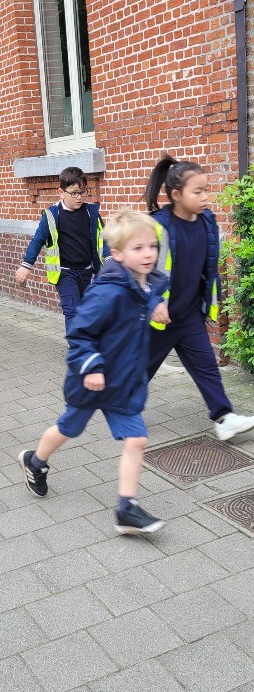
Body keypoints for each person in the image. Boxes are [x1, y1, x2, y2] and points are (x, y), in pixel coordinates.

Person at [19, 210, 169, 535]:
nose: (148, 254)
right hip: (91, 381)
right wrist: (91, 366)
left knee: (137, 439)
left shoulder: (148, 286)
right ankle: (35, 461)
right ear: (117, 254)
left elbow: (147, 301)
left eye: (152, 246)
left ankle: (126, 508)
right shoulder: (108, 291)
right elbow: (80, 333)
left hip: (123, 383)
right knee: (69, 428)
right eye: (138, 248)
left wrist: (157, 305)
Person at [145, 155, 254, 441]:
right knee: (140, 371)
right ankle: (121, 409)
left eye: (207, 189)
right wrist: (154, 302)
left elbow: (206, 267)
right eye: (198, 191)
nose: (206, 196)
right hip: (159, 320)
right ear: (176, 195)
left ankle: (223, 418)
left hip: (190, 314)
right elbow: (138, 270)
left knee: (206, 367)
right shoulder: (157, 226)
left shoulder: (207, 220)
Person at [15, 166, 105, 330]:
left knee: (88, 312)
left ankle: (87, 340)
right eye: (74, 193)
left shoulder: (90, 212)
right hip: (65, 273)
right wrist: (26, 265)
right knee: (72, 311)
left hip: (88, 271)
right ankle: (76, 342)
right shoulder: (52, 215)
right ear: (61, 192)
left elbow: (104, 237)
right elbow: (38, 240)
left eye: (83, 192)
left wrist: (110, 258)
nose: (79, 197)